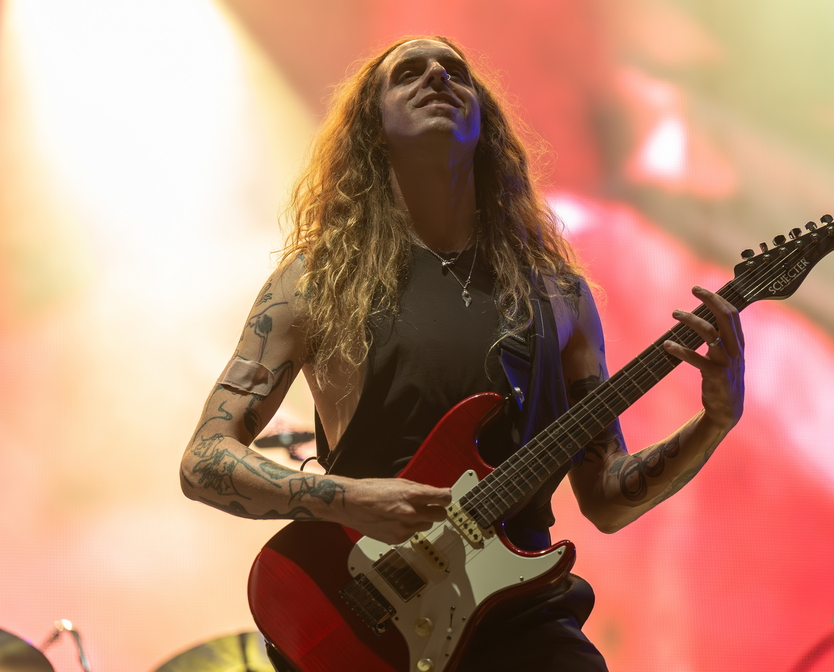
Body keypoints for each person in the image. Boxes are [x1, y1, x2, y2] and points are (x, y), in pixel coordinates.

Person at [180, 35, 745, 672]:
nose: (437, 78)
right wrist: (351, 498)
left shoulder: (559, 297)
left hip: (522, 618)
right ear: (373, 130)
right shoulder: (317, 282)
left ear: (485, 125)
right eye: (409, 73)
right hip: (365, 624)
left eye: (455, 71)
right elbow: (204, 460)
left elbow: (607, 496)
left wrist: (713, 422)